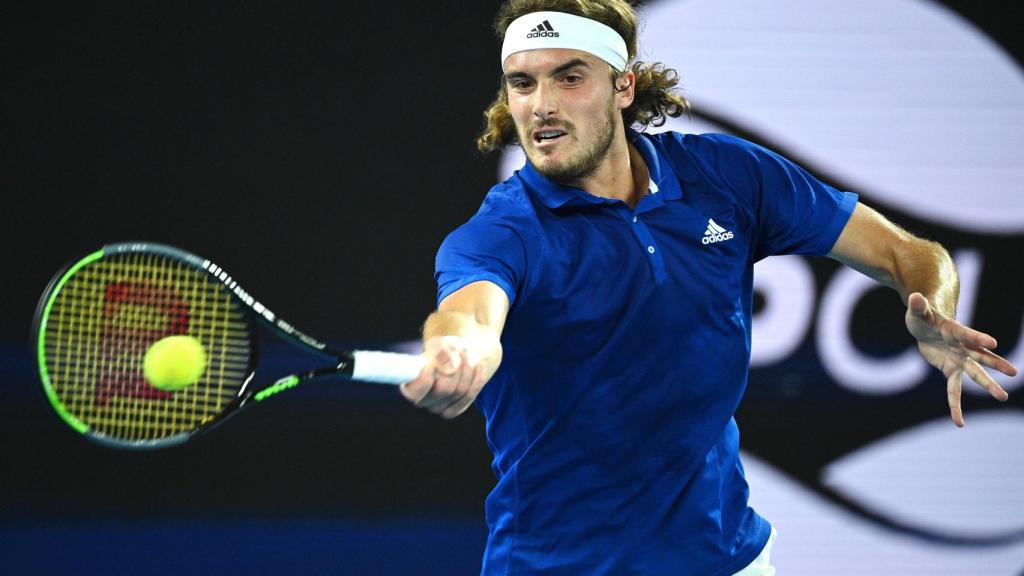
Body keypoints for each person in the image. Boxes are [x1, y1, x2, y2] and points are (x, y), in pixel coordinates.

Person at [399, 1, 1018, 574]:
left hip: (729, 560)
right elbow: (470, 316)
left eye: (569, 77)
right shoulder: (500, 233)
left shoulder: (728, 175)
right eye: (522, 83)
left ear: (623, 86)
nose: (541, 105)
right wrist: (459, 349)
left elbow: (907, 253)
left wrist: (930, 306)